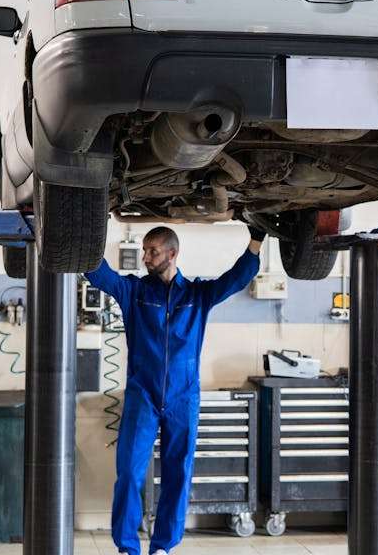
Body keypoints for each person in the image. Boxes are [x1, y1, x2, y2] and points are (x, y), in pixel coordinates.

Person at [85, 224, 266, 555]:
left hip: (183, 398)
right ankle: (127, 547)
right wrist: (80, 235)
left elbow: (235, 280)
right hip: (143, 396)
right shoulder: (135, 293)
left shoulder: (197, 296)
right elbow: (102, 276)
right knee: (128, 472)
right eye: (144, 250)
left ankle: (163, 547)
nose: (145, 258)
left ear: (172, 253)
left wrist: (256, 241)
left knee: (177, 475)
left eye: (152, 251)